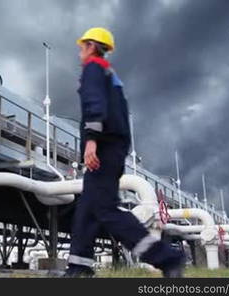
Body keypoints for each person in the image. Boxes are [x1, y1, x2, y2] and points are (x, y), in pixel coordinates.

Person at [64, 27, 185, 278]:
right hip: (114, 148)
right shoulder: (110, 75)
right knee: (87, 208)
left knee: (106, 210)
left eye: (81, 47)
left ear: (90, 46)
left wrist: (91, 141)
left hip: (104, 148)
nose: (79, 53)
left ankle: (167, 259)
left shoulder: (94, 69)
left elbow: (94, 105)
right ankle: (79, 267)